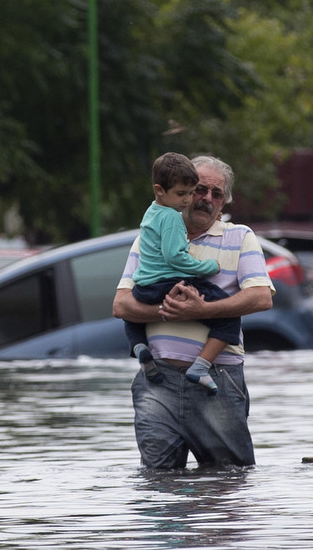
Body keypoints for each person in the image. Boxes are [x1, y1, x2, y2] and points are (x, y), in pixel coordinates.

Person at [112, 155, 274, 470]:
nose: (206, 199)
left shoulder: (240, 236)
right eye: (199, 190)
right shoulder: (151, 236)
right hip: (157, 381)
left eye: (217, 194)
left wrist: (203, 309)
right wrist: (168, 311)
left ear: (225, 202)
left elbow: (261, 298)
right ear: (180, 191)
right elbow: (121, 305)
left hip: (218, 380)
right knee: (158, 483)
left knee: (229, 480)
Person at [125, 152, 240, 395]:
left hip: (144, 287)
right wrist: (208, 267)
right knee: (231, 314)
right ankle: (201, 366)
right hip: (169, 284)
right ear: (159, 190)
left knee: (132, 315)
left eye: (216, 194)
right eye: (186, 193)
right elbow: (175, 257)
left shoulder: (151, 212)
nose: (188, 200)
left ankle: (139, 348)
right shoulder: (173, 218)